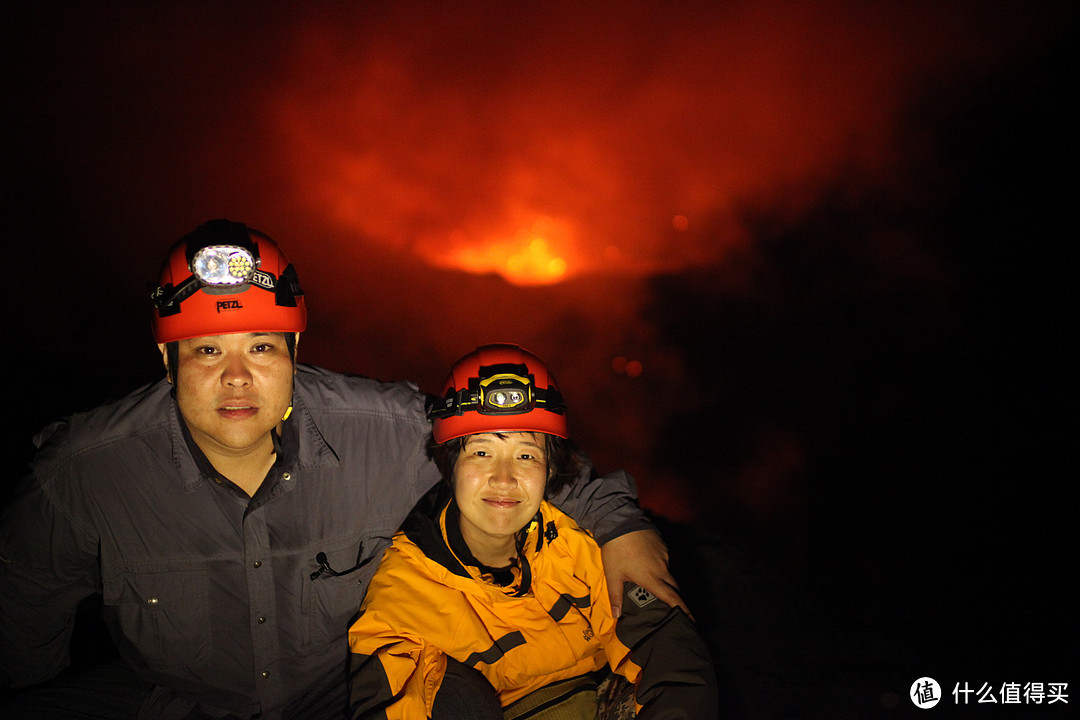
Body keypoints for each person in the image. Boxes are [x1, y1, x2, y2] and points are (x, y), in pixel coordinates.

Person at [0, 220, 684, 720]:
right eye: (207, 350)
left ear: (296, 344)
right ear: (166, 358)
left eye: (262, 346)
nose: (237, 379)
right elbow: (23, 628)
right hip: (178, 699)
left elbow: (514, 454)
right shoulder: (85, 476)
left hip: (352, 696)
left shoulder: (383, 432)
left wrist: (621, 527)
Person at [348, 344, 717, 719]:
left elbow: (668, 656)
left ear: (551, 470)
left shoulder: (586, 545)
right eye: (481, 452)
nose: (504, 478)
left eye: (526, 455)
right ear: (449, 463)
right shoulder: (402, 595)